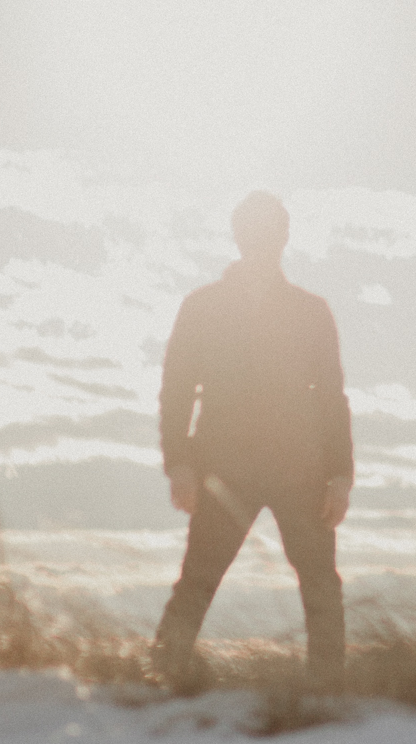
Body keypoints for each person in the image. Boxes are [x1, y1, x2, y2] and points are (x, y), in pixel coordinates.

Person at [151, 191, 354, 691]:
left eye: (269, 233)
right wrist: (178, 462)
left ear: (283, 238)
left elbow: (331, 395)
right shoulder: (204, 306)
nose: (261, 242)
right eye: (253, 233)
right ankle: (158, 685)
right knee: (197, 580)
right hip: (224, 466)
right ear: (239, 237)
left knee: (321, 587)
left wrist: (341, 474)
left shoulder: (310, 311)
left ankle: (326, 695)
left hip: (299, 466)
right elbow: (177, 388)